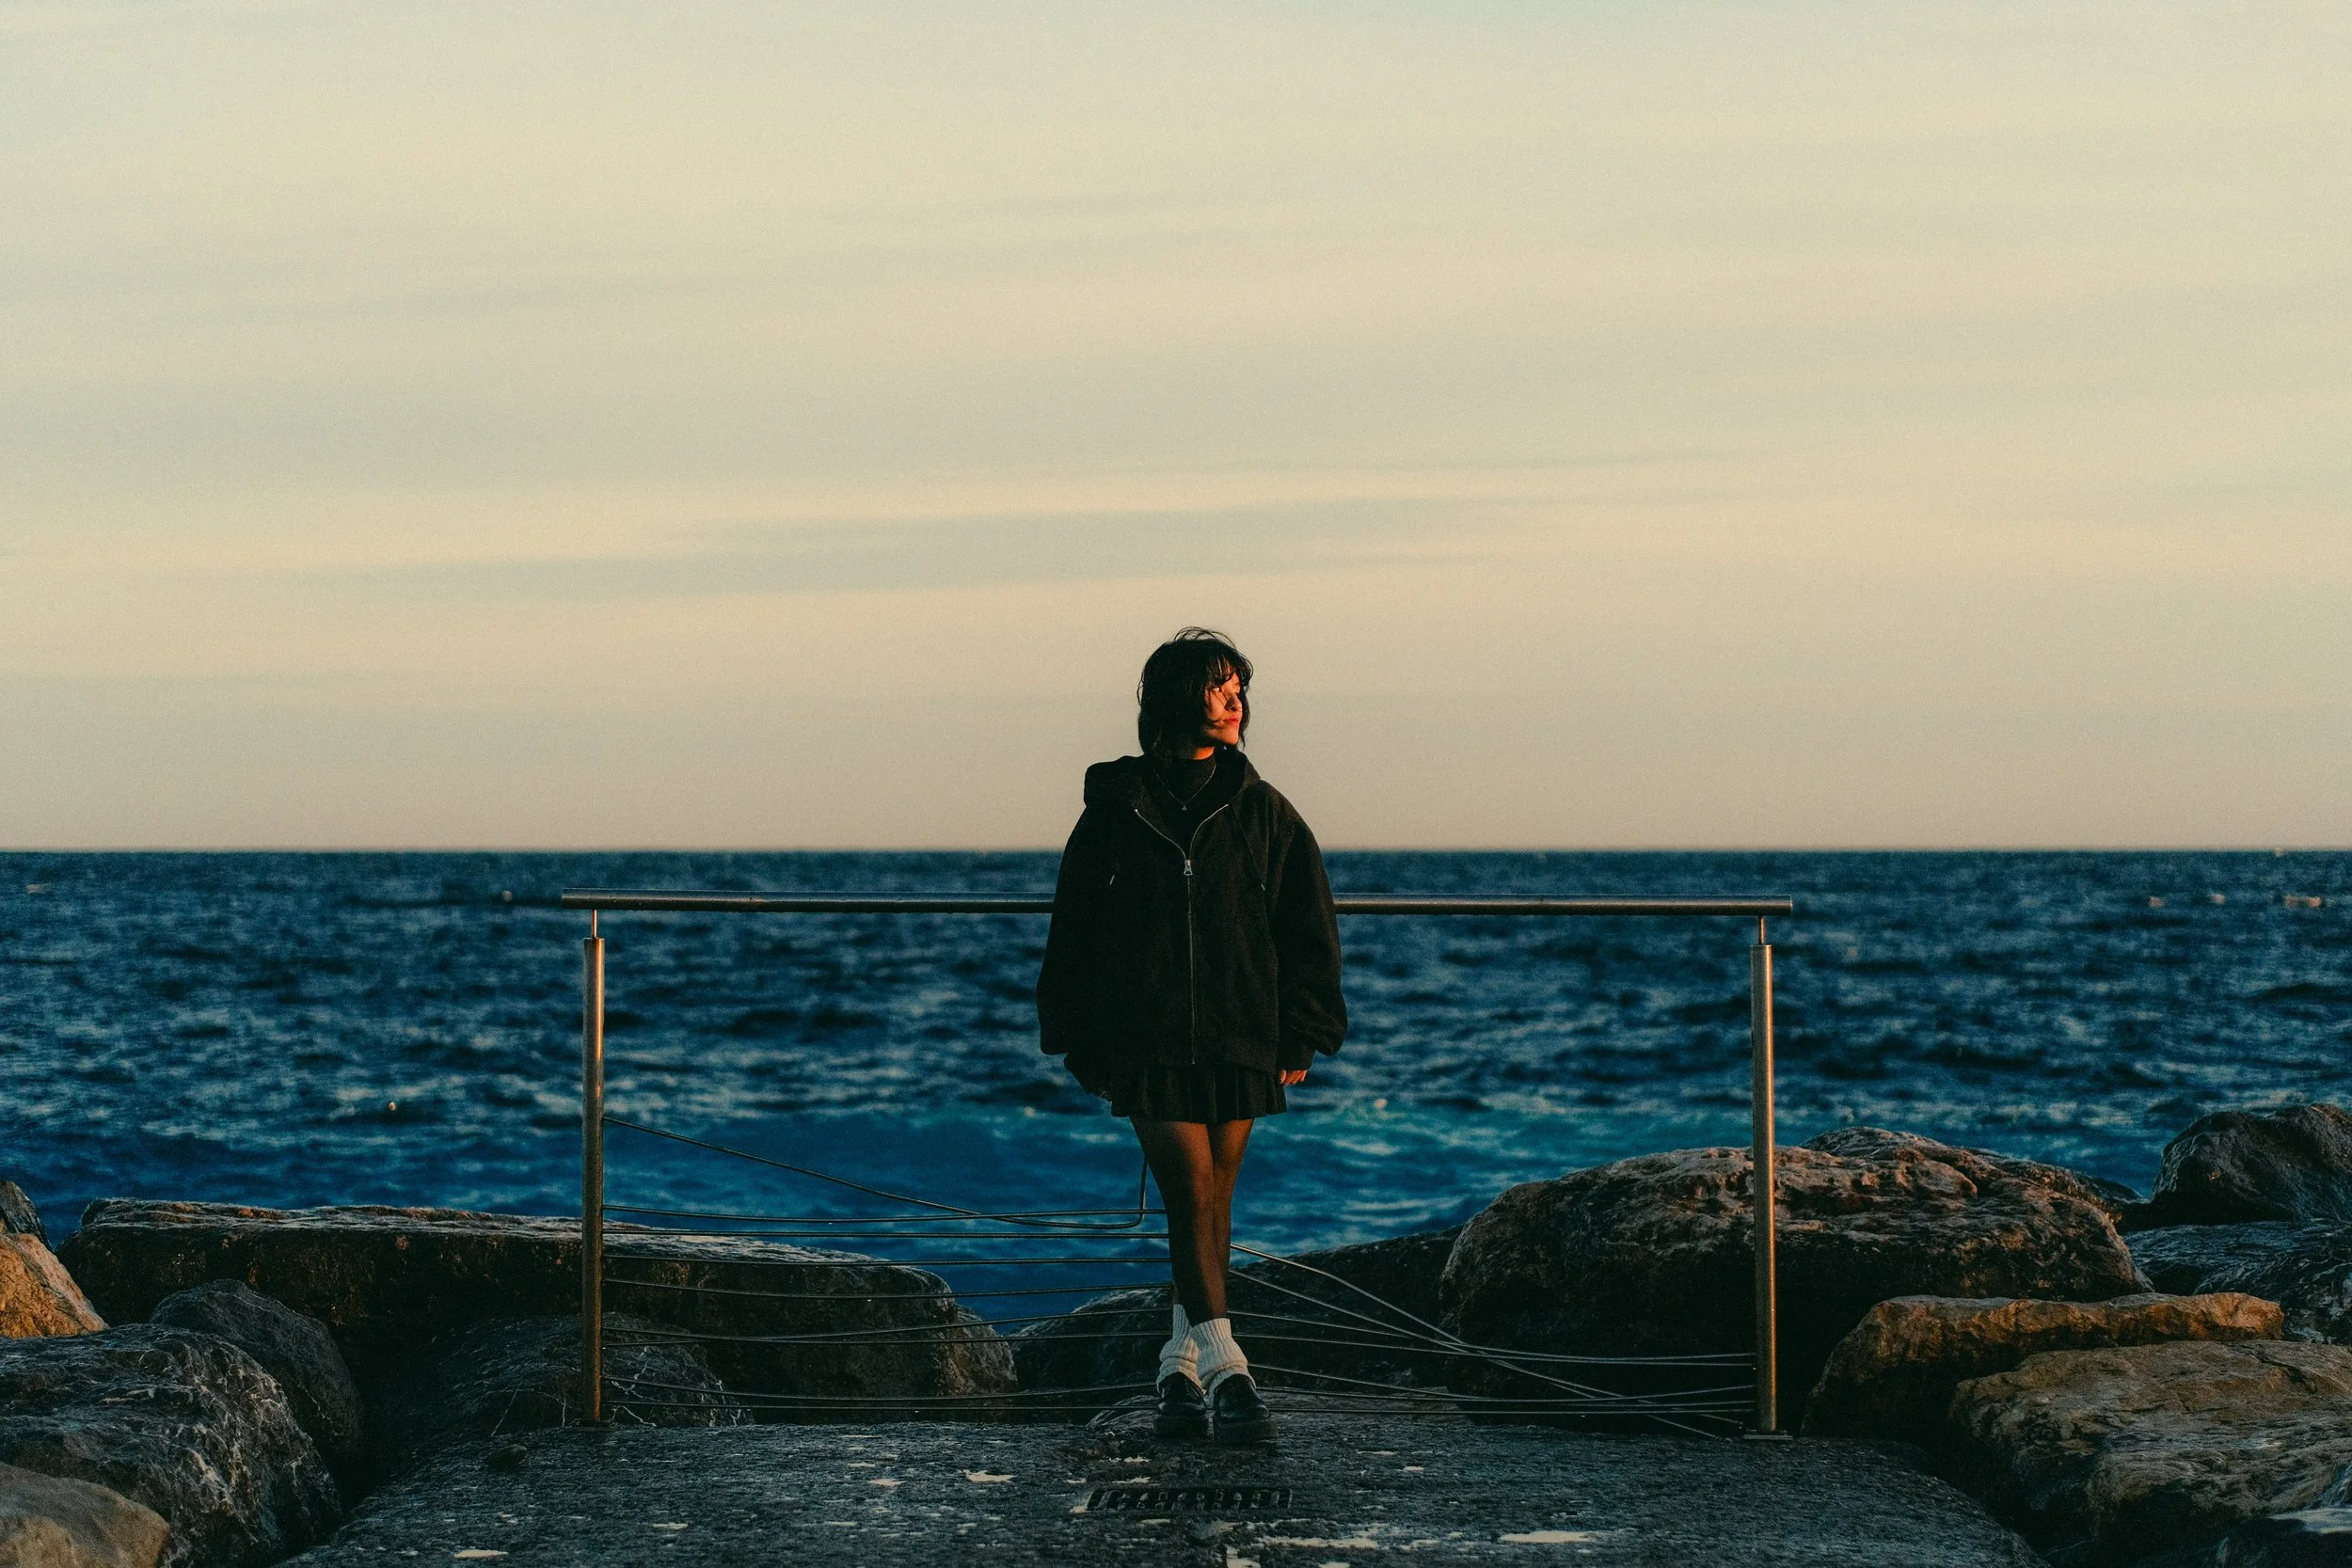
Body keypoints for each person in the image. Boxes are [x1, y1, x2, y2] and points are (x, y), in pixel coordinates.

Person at [1036, 627, 1348, 1444]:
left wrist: (1302, 1032)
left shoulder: (1264, 810)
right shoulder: (1114, 811)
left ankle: (1178, 1372)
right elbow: (1074, 928)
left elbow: (1307, 925)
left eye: (1240, 686)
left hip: (1243, 1032)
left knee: (1212, 1205)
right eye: (1219, 686)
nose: (1237, 699)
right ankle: (1229, 1369)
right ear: (1179, 698)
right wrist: (1075, 1037)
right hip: (1146, 1037)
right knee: (1190, 1194)